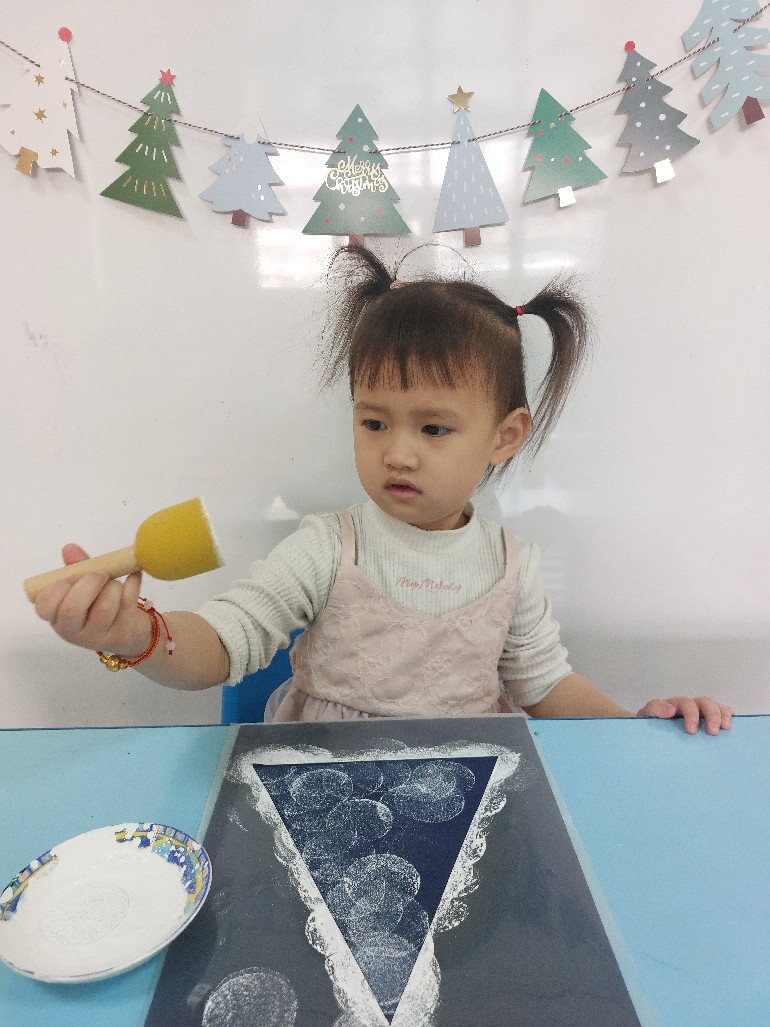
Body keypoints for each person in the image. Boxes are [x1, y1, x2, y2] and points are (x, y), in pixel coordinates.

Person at [34, 245, 733, 734]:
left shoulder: (511, 565)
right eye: (374, 422)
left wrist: (636, 726)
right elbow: (223, 642)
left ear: (504, 436)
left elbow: (546, 687)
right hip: (326, 783)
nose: (397, 452)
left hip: (462, 786)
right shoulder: (327, 548)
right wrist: (135, 633)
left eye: (434, 428)